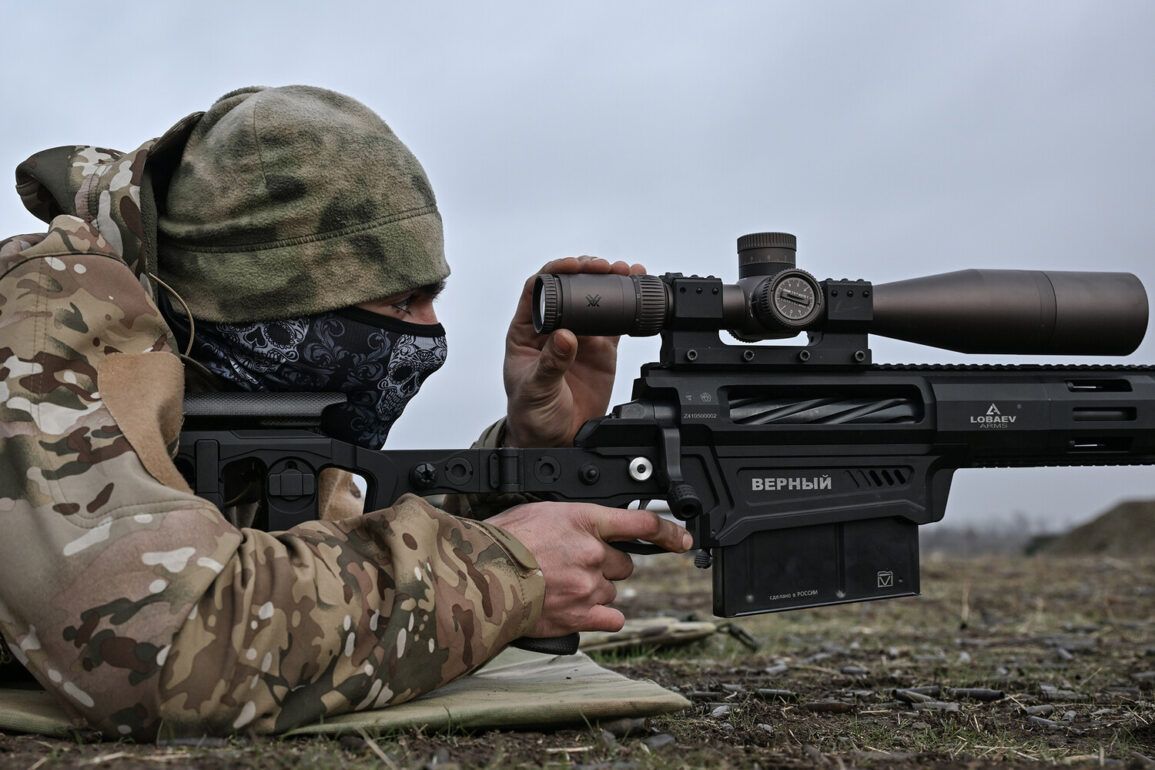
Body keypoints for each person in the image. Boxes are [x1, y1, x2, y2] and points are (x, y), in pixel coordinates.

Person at [0, 85, 690, 739]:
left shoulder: (245, 389)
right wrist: (499, 572)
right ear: (267, 306)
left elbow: (327, 564)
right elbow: (164, 649)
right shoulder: (45, 314)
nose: (429, 334)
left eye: (432, 298)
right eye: (400, 303)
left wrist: (526, 462)